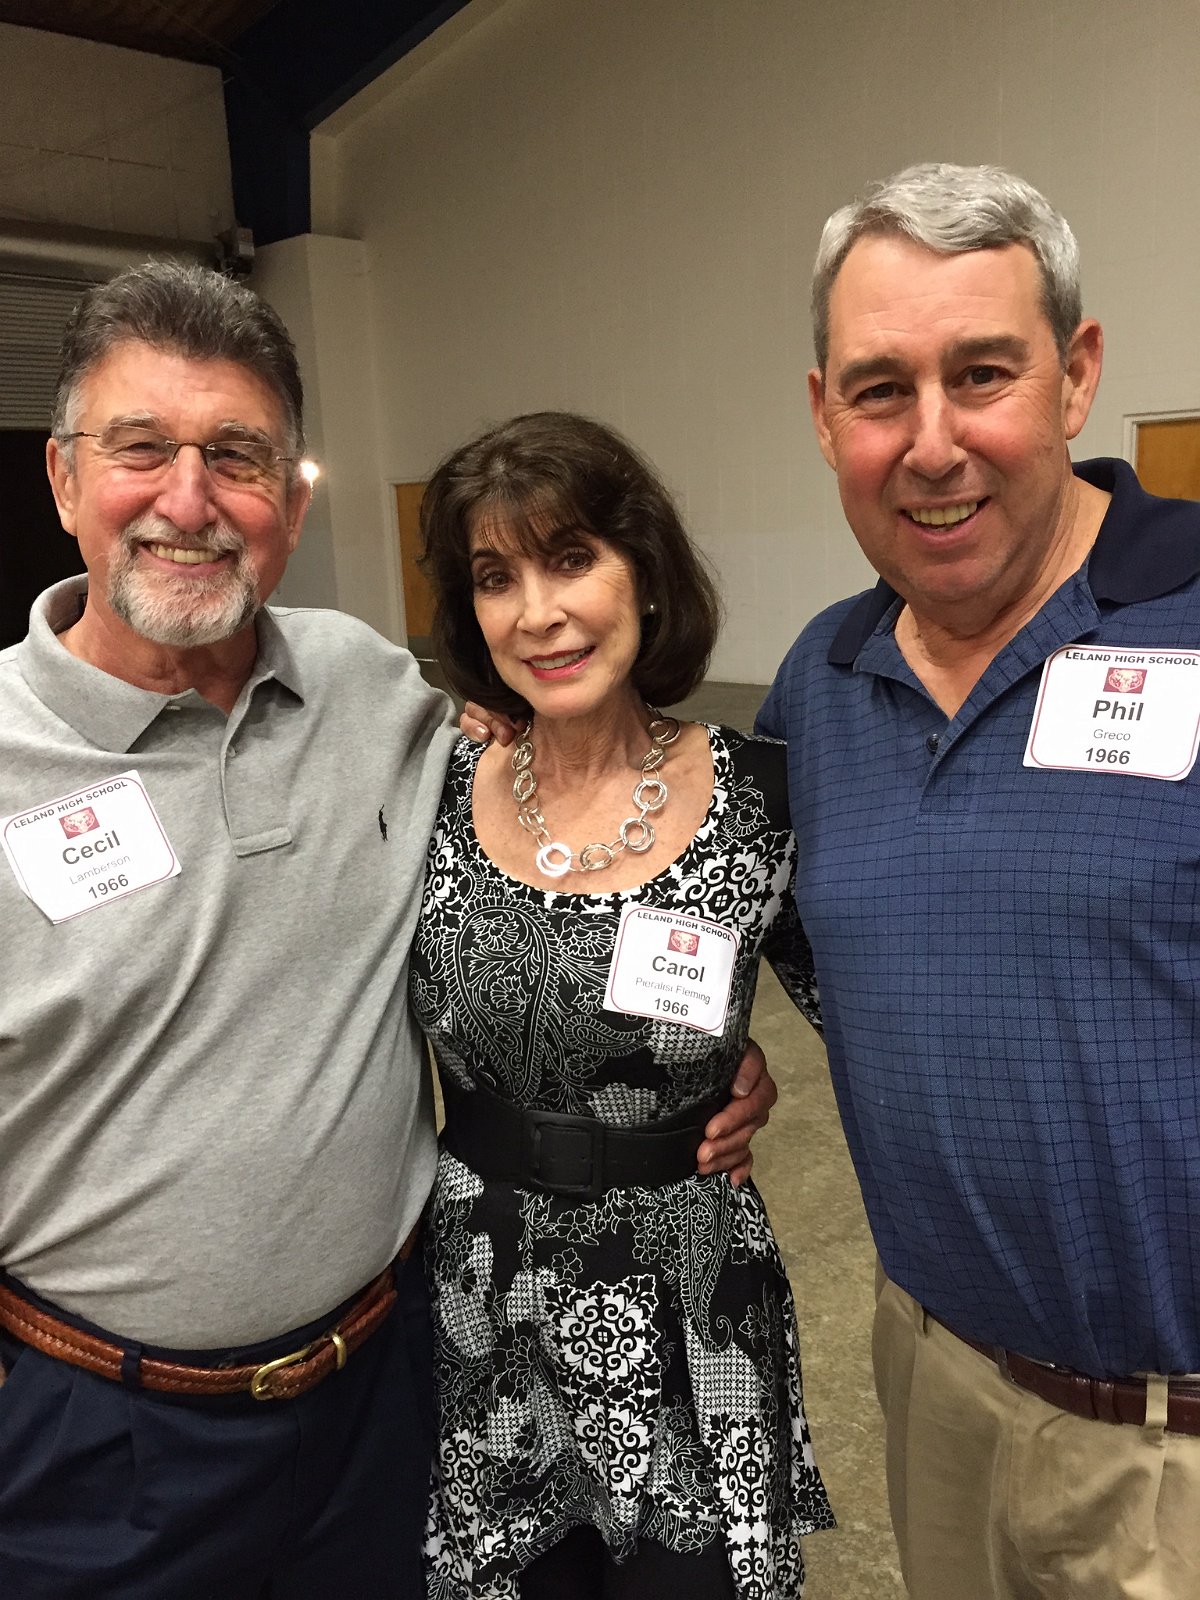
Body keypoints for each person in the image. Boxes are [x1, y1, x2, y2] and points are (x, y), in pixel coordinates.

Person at [0, 263, 774, 1599]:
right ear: (65, 481)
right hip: (103, 1444)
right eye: (142, 451)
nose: (189, 500)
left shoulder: (369, 688)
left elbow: (546, 872)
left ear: (292, 503)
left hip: (395, 1392)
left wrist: (699, 1061)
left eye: (235, 457)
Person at [756, 162, 1200, 1599]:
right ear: (825, 414)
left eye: (983, 373)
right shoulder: (816, 689)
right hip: (935, 1392)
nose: (933, 442)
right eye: (882, 390)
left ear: (1075, 376)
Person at [413, 411, 835, 1600]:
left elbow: (877, 1013)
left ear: (642, 571)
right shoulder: (433, 784)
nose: (537, 612)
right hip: (483, 1297)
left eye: (571, 558)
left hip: (687, 1294)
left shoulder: (762, 798)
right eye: (496, 577)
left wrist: (753, 1071)